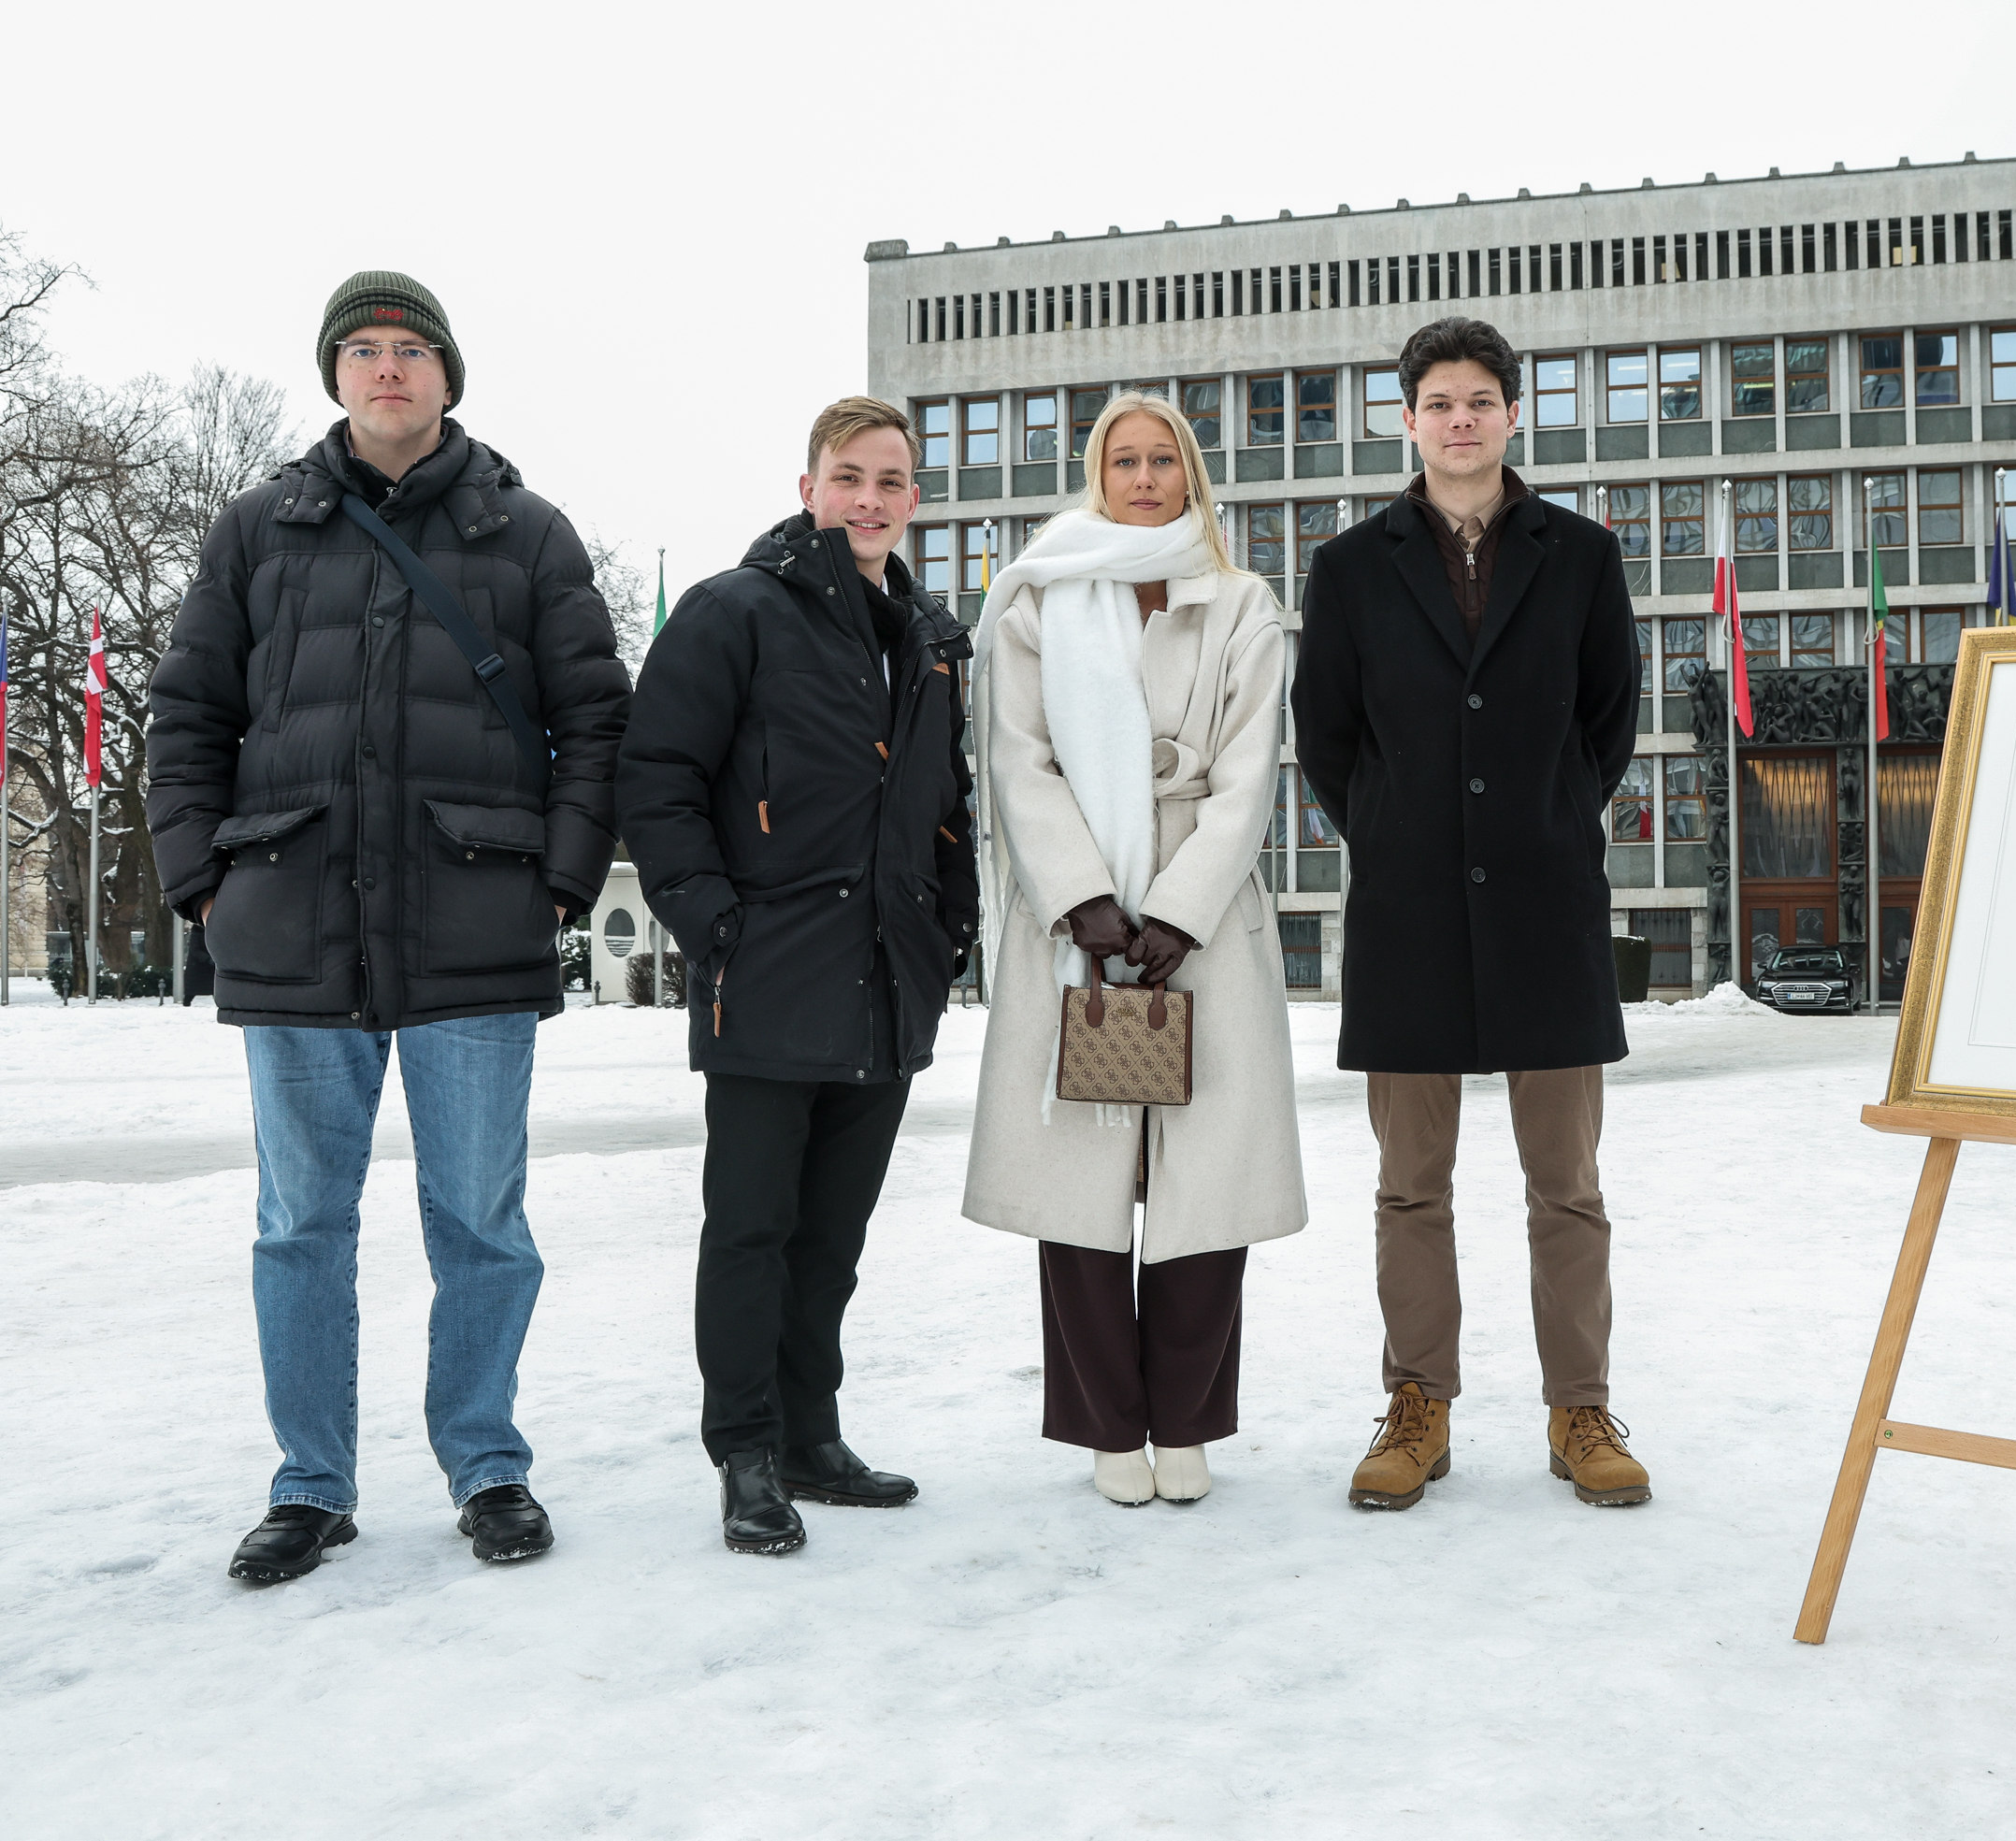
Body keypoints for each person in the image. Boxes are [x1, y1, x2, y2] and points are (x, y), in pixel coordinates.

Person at [147, 271, 629, 1582]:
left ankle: (487, 1465)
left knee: (481, 1220)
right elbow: (187, 715)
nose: (387, 367)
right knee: (300, 1223)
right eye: (361, 349)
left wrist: (559, 882)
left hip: (478, 922)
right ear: (335, 375)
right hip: (292, 922)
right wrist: (203, 884)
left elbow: (595, 720)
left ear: (448, 374)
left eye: (410, 347)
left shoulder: (529, 534)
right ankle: (310, 1483)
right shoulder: (256, 531)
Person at [1292, 317, 1649, 1511]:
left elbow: (1606, 720)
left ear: (1512, 415)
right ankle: (1418, 1405)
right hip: (1408, 913)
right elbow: (1327, 735)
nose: (1460, 420)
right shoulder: (1349, 566)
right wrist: (1392, 828)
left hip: (1546, 906)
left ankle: (1579, 1409)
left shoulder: (1582, 555)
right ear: (1407, 419)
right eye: (1438, 402)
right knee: (1410, 1187)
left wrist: (1548, 817)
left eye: (1480, 400)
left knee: (1568, 1186)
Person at [615, 396, 978, 1555]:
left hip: (886, 979)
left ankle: (812, 1436)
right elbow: (657, 779)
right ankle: (746, 1451)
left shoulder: (927, 637)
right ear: (809, 486)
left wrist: (950, 925)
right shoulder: (735, 611)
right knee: (752, 1230)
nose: (869, 499)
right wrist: (714, 926)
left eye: (890, 480)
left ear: (913, 497)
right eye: (847, 477)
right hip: (766, 974)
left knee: (832, 1238)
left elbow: (945, 799)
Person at [961, 390, 1304, 1506]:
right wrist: (1083, 898)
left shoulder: (1241, 601)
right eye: (1125, 461)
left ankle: (1188, 1421)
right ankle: (1109, 1424)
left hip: (1202, 927)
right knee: (1084, 1187)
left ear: (1190, 475)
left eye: (1164, 460)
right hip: (1078, 931)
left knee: (1206, 1189)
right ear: (1098, 476)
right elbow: (1017, 757)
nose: (1145, 478)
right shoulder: (1042, 595)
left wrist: (1179, 908)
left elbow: (1249, 773)